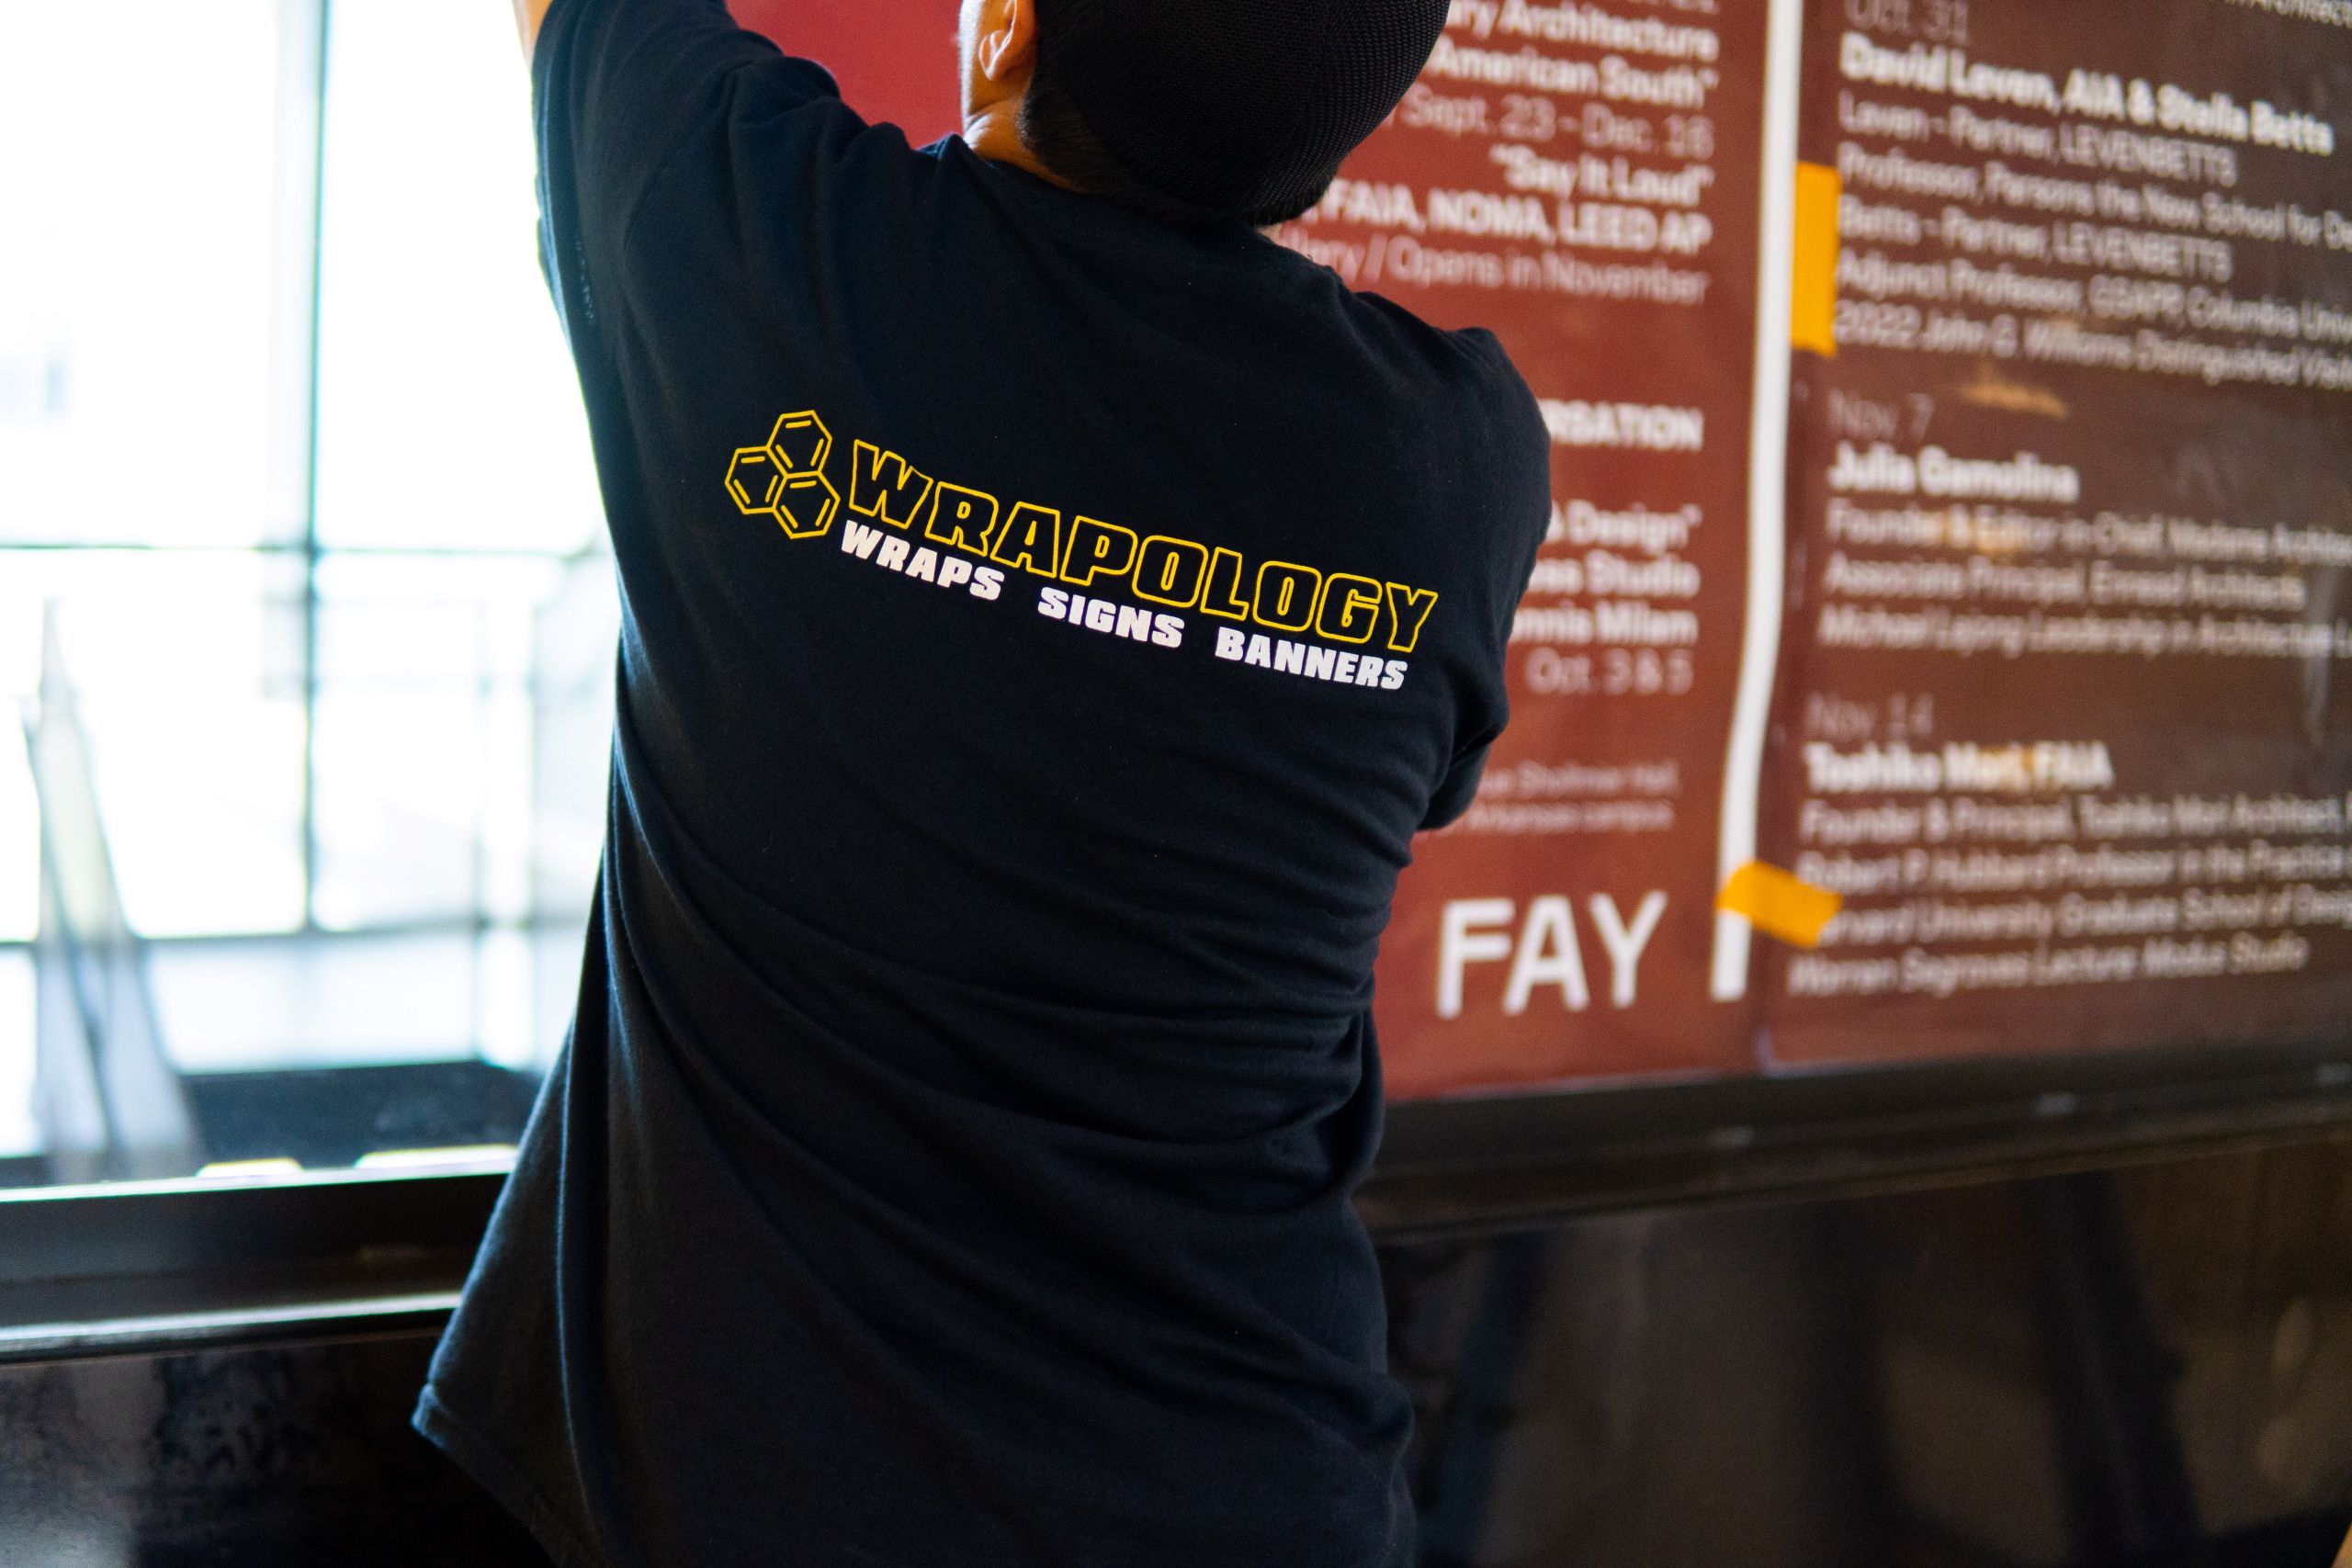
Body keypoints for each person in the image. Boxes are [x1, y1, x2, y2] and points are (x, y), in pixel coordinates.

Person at [417, 0, 1550, 1562]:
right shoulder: (1452, 469)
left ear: (1009, 26)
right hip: (1256, 1489)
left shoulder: (776, 256)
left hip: (755, 1502)